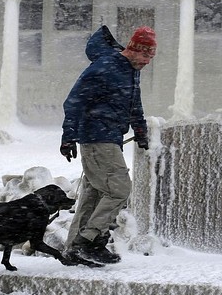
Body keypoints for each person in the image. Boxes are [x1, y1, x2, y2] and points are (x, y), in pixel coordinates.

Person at [60, 25, 156, 264]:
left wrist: (141, 130)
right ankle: (91, 241)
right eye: (145, 55)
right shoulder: (105, 66)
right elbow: (74, 100)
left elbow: (134, 103)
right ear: (132, 49)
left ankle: (73, 251)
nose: (147, 61)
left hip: (109, 137)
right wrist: (68, 135)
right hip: (97, 137)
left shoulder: (130, 70)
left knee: (93, 195)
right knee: (119, 189)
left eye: (151, 57)